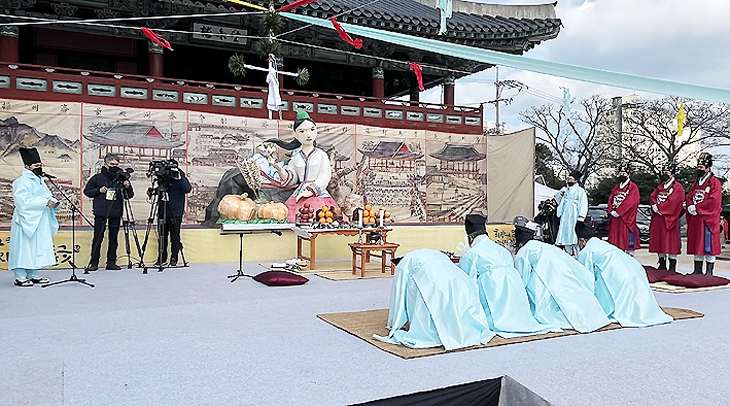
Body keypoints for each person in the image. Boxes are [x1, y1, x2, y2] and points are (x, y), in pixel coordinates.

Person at [374, 249, 495, 350]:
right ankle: (464, 330)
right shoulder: (431, 254)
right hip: (460, 279)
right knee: (453, 302)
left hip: (432, 280)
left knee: (422, 292)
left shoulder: (404, 263)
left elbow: (399, 294)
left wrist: (394, 323)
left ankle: (438, 332)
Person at [458, 215, 555, 337]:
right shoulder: (503, 250)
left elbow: (466, 282)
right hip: (515, 295)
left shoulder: (471, 254)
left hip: (493, 292)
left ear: (470, 238)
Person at [513, 216, 611, 333]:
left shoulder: (524, 251)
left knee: (545, 294)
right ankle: (595, 318)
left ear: (520, 244)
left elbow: (522, 277)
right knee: (573, 294)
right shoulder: (545, 246)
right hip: (564, 268)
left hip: (546, 273)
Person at [575, 220, 673, 327]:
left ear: (583, 241)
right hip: (636, 272)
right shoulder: (605, 245)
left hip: (617, 278)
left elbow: (584, 278)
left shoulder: (587, 251)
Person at [267, 110, 340, 222]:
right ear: (296, 135)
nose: (308, 135)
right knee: (292, 219)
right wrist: (278, 168)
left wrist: (311, 191)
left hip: (318, 194)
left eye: (312, 130)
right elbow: (293, 177)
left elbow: (325, 175)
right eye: (302, 131)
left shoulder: (321, 155)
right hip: (299, 194)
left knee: (324, 218)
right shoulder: (296, 157)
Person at [9, 147, 59, 286]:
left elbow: (47, 196)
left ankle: (33, 274)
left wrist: (54, 202)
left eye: (40, 165)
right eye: (36, 165)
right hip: (26, 221)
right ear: (27, 166)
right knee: (23, 248)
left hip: (40, 220)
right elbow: (22, 201)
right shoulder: (21, 182)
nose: (39, 168)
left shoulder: (40, 181)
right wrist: (44, 202)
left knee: (37, 248)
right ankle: (20, 276)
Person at [83, 153, 134, 271]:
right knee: (98, 237)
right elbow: (87, 192)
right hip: (101, 211)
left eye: (116, 164)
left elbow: (130, 195)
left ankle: (111, 262)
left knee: (113, 238)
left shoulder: (121, 178)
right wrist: (99, 190)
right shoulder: (97, 178)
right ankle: (94, 262)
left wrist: (127, 186)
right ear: (105, 164)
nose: (114, 167)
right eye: (112, 164)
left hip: (116, 211)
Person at [686, 152, 723, 275]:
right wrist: (690, 205)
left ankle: (709, 271)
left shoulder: (714, 183)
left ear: (708, 168)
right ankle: (697, 270)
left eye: (701, 167)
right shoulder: (696, 183)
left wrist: (698, 208)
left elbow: (714, 201)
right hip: (697, 219)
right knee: (697, 243)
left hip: (708, 218)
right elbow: (689, 196)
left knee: (708, 244)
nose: (699, 170)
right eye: (698, 167)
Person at [648, 165, 685, 271]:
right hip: (659, 219)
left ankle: (672, 266)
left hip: (670, 219)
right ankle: (662, 263)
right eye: (664, 172)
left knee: (671, 243)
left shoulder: (678, 187)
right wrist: (654, 205)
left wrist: (660, 208)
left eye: (667, 173)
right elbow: (653, 196)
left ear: (672, 174)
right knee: (659, 241)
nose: (665, 174)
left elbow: (675, 201)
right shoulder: (660, 186)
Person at [156, 160, 191, 267]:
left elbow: (187, 189)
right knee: (162, 236)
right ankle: (162, 258)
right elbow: (159, 189)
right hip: (162, 211)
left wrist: (179, 179)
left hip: (175, 212)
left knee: (175, 237)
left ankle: (174, 258)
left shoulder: (179, 176)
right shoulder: (163, 177)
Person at [607, 163, 641, 256]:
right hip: (615, 217)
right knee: (615, 240)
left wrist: (620, 212)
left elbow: (631, 202)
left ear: (628, 174)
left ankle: (630, 257)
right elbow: (611, 198)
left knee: (627, 239)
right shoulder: (617, 187)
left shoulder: (633, 187)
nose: (622, 175)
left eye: (624, 173)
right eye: (620, 173)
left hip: (626, 218)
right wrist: (611, 210)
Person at [554, 169, 588, 256]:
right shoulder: (566, 191)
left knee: (574, 234)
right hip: (566, 215)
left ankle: (578, 253)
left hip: (574, 215)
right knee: (566, 234)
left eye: (571, 179)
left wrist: (581, 216)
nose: (569, 181)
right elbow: (560, 201)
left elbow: (583, 203)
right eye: (568, 179)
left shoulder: (580, 191)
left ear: (575, 180)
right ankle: (568, 253)